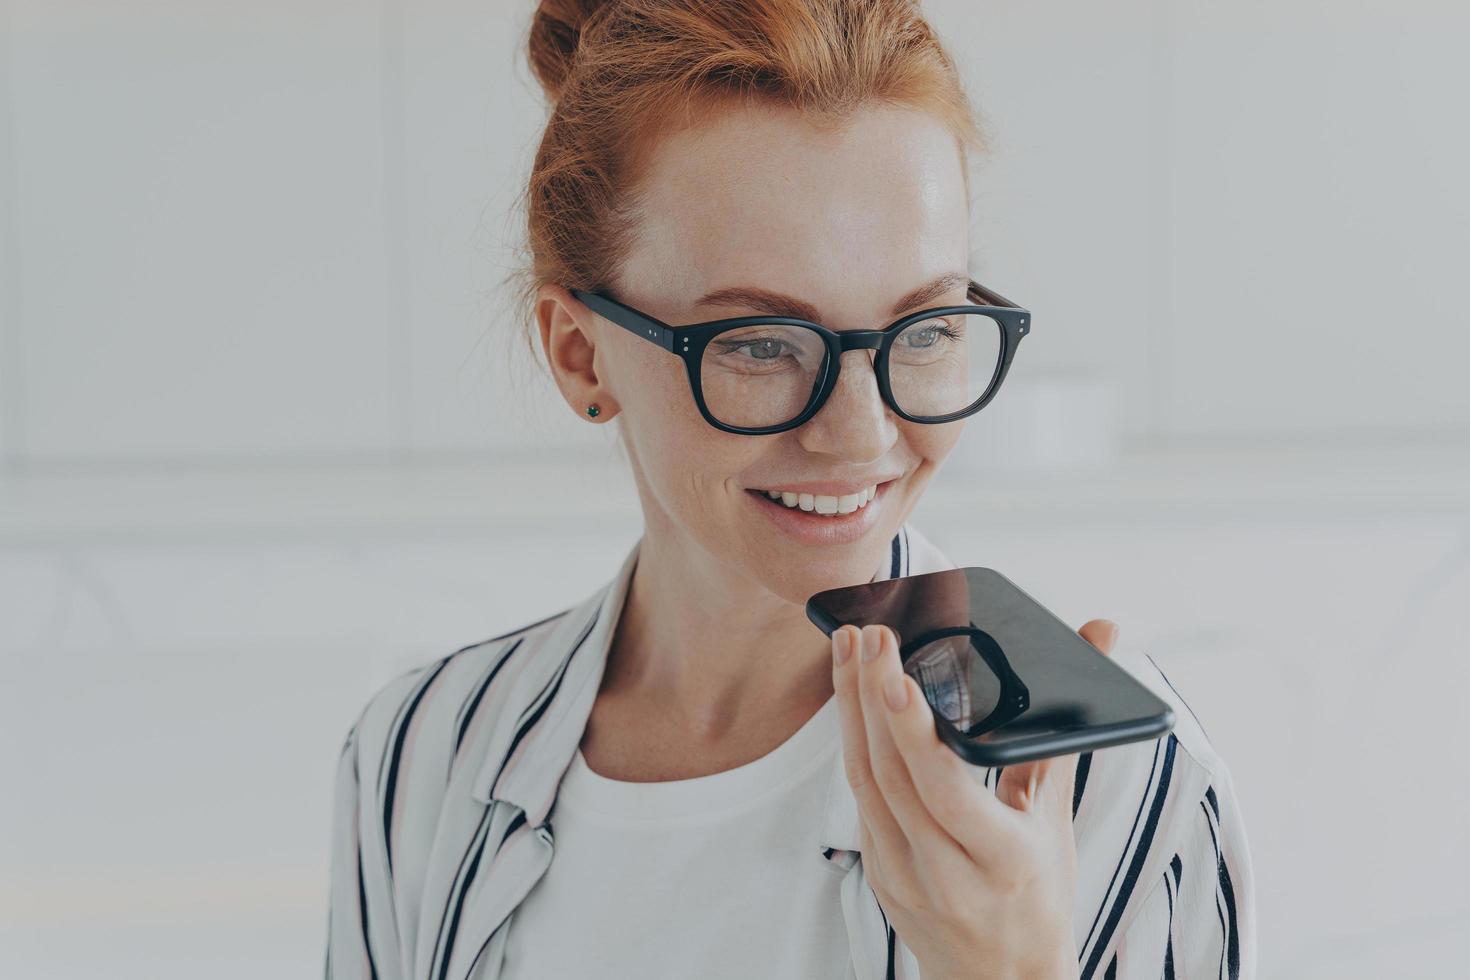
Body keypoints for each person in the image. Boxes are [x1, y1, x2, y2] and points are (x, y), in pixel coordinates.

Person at [325, 1, 1256, 978]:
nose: (860, 431)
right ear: (579, 353)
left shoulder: (1116, 784)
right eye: (761, 343)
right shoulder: (420, 758)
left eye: (928, 328)